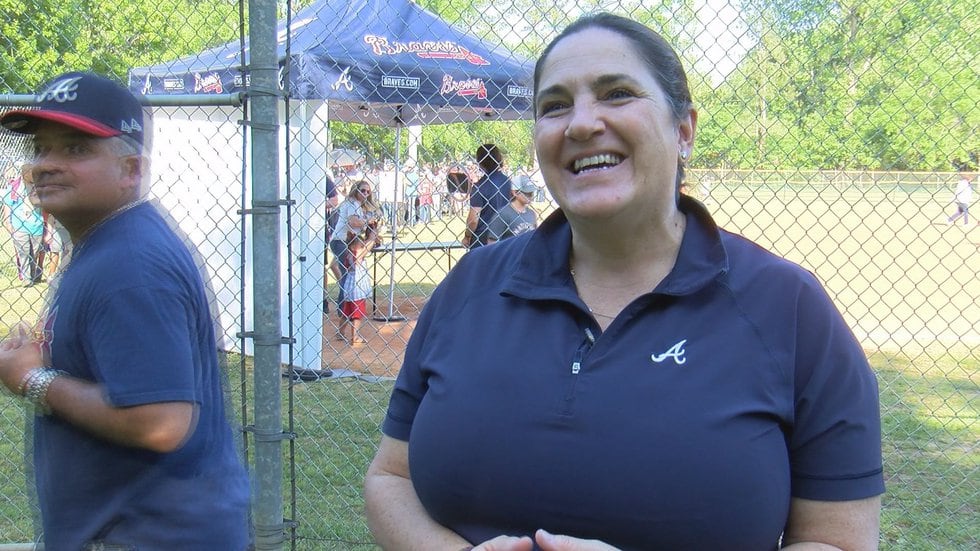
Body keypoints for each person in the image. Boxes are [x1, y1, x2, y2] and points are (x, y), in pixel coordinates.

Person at [364, 13, 883, 551]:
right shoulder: (471, 285)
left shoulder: (790, 309)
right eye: (555, 105)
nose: (581, 124)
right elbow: (390, 478)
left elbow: (838, 541)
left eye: (616, 93)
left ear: (684, 130)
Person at [0, 71, 250, 549]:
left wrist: (32, 379)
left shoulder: (130, 264)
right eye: (40, 148)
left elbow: (159, 421)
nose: (45, 165)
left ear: (131, 169)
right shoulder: (110, 243)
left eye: (75, 149)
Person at [329, 180, 378, 317]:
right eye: (362, 190)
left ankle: (344, 301)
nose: (365, 194)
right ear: (355, 190)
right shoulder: (353, 203)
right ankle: (343, 310)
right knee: (348, 276)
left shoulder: (355, 204)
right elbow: (353, 222)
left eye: (368, 192)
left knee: (337, 268)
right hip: (342, 241)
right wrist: (368, 221)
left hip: (342, 240)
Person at [1, 162, 45, 286]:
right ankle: (26, 278)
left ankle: (32, 273)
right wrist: (7, 222)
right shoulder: (15, 187)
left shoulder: (41, 187)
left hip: (37, 225)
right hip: (19, 225)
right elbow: (7, 204)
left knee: (34, 253)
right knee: (24, 252)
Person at [463, 143, 513, 249]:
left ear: (480, 162)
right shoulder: (507, 182)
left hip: (482, 240)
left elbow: (473, 220)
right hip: (504, 236)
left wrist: (467, 236)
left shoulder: (479, 187)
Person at [338, 228, 375, 345]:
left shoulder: (348, 253)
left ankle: (340, 332)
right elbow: (369, 245)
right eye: (361, 245)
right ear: (355, 246)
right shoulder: (357, 254)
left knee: (346, 312)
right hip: (357, 288)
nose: (363, 246)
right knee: (357, 314)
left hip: (349, 286)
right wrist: (373, 235)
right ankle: (355, 336)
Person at [486, 175, 538, 244]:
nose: (531, 196)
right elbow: (492, 242)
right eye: (527, 193)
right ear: (515, 192)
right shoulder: (503, 214)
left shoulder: (531, 214)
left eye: (532, 193)